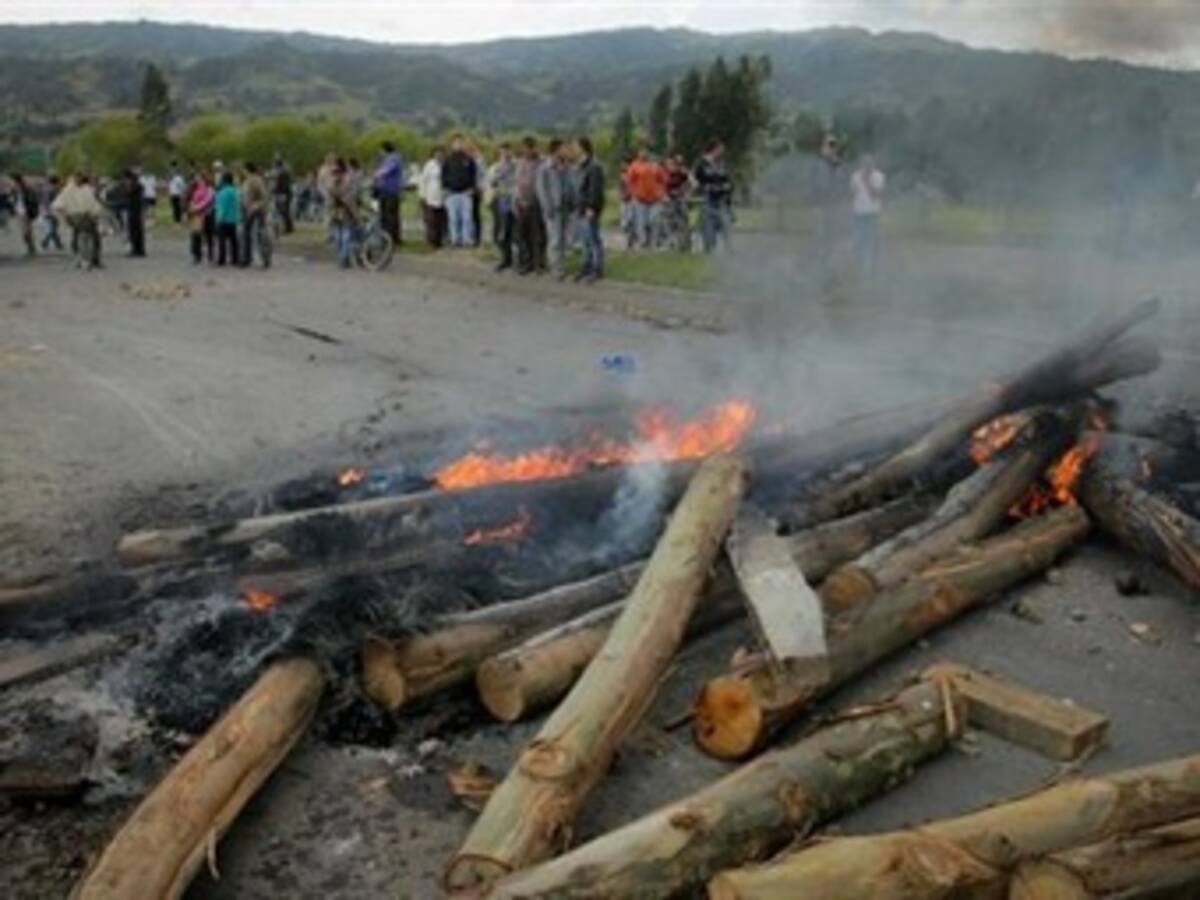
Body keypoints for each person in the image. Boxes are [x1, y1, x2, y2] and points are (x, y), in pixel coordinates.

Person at [536, 138, 578, 280]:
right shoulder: (545, 168)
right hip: (553, 209)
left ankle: (561, 265)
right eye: (563, 148)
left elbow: (572, 185)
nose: (565, 151)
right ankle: (556, 269)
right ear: (555, 150)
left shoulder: (567, 167)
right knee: (555, 239)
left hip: (567, 207)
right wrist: (547, 207)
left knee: (565, 238)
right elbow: (541, 190)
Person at [52, 173, 105, 269]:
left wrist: (96, 213)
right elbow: (59, 203)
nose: (78, 180)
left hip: (89, 217)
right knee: (80, 239)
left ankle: (94, 259)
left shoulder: (87, 189)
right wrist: (66, 215)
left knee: (94, 238)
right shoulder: (69, 190)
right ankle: (82, 259)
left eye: (79, 178)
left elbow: (93, 203)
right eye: (76, 178)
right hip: (77, 218)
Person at [693, 140, 734, 253]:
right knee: (708, 229)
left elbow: (728, 180)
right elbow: (693, 180)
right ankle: (709, 251)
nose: (722, 152)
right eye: (721, 149)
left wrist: (728, 187)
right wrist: (702, 188)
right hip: (707, 200)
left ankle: (729, 252)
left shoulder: (721, 163)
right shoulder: (701, 163)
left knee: (727, 227)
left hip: (722, 201)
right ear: (714, 149)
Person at [849, 152, 885, 277]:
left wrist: (866, 181)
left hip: (872, 213)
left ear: (873, 164)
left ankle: (871, 270)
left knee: (871, 242)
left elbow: (876, 195)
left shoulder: (879, 176)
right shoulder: (855, 176)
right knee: (858, 241)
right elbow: (852, 195)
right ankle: (858, 268)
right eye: (864, 163)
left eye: (869, 163)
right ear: (861, 164)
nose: (867, 166)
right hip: (858, 213)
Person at [575, 136, 605, 283]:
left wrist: (591, 207)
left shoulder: (594, 166)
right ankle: (586, 265)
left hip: (589, 208)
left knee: (593, 239)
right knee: (585, 240)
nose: (574, 149)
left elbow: (595, 189)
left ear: (582, 148)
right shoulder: (581, 165)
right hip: (581, 208)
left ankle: (597, 268)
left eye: (576, 146)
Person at [812, 133, 843, 273]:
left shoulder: (837, 165)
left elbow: (841, 185)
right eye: (828, 145)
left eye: (833, 145)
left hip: (833, 206)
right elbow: (818, 186)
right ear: (822, 148)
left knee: (832, 237)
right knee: (819, 237)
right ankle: (820, 266)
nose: (831, 148)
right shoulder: (818, 165)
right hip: (820, 206)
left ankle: (829, 265)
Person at [625, 146, 667, 248]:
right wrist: (633, 192)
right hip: (640, 199)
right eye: (641, 151)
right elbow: (629, 180)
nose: (644, 153)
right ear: (638, 153)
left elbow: (664, 179)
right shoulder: (634, 166)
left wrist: (661, 192)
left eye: (645, 152)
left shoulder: (655, 165)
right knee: (641, 223)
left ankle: (654, 241)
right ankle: (643, 242)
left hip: (655, 199)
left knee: (654, 220)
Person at [514, 137, 545, 275]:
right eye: (525, 148)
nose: (527, 151)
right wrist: (519, 200)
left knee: (536, 235)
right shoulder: (520, 164)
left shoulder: (541, 164)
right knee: (522, 235)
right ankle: (524, 262)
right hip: (522, 203)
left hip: (536, 203)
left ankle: (537, 263)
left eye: (529, 148)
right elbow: (518, 183)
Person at [440, 134, 478, 248]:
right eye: (456, 143)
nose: (458, 145)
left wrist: (472, 188)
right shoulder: (447, 160)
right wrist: (445, 188)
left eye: (460, 143)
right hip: (452, 193)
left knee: (467, 218)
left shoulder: (469, 159)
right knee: (453, 218)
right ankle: (455, 239)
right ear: (452, 145)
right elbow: (443, 175)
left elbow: (473, 175)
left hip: (466, 193)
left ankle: (466, 240)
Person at [488, 143, 517, 271]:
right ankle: (505, 258)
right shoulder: (495, 167)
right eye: (503, 152)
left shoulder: (517, 165)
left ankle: (520, 259)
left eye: (507, 152)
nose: (505, 155)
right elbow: (491, 183)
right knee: (502, 231)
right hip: (502, 201)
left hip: (515, 201)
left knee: (516, 232)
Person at [329, 158, 360, 269]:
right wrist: (356, 215)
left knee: (339, 235)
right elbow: (349, 199)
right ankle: (343, 260)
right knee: (346, 236)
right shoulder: (347, 181)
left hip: (336, 210)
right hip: (345, 210)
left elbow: (331, 196)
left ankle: (342, 259)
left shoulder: (333, 181)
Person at [373, 140, 404, 245]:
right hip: (384, 191)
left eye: (380, 150)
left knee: (390, 216)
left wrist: (378, 173)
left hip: (390, 191)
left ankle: (391, 238)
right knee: (385, 215)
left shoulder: (393, 158)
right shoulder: (385, 159)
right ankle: (387, 237)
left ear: (384, 149)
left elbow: (386, 171)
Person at [240, 162, 268, 267]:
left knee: (257, 234)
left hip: (255, 210)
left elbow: (263, 196)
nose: (243, 172)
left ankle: (261, 258)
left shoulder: (256, 180)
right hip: (248, 210)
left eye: (244, 169)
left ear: (247, 170)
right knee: (246, 234)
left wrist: (255, 206)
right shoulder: (248, 180)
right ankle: (247, 258)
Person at [419, 146, 446, 248]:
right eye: (437, 153)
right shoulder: (430, 165)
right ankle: (431, 241)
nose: (439, 155)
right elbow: (423, 180)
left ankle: (439, 240)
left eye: (441, 153)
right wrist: (422, 195)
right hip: (430, 195)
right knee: (431, 220)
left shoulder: (445, 164)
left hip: (442, 196)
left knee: (440, 220)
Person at [213, 171, 242, 266]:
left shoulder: (222, 192)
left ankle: (222, 259)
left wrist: (218, 219)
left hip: (224, 220)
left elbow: (221, 207)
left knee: (222, 241)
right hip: (234, 219)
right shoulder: (236, 191)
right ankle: (235, 258)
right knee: (234, 241)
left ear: (224, 180)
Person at [186, 170, 215, 264]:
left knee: (209, 236)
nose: (197, 179)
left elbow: (208, 201)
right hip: (197, 216)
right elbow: (192, 200)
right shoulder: (196, 189)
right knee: (196, 235)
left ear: (204, 179)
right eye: (196, 178)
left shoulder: (210, 189)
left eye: (199, 178)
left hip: (207, 215)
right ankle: (197, 256)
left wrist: (196, 208)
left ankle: (211, 256)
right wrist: (191, 207)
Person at [11, 173, 39, 257]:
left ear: (17, 181)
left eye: (13, 181)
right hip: (20, 213)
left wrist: (33, 211)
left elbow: (33, 201)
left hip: (27, 213)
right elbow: (13, 201)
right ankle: (31, 248)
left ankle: (31, 248)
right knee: (26, 233)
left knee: (26, 232)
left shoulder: (27, 189)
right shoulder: (14, 190)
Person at [125, 169, 146, 257]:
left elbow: (129, 192)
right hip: (136, 210)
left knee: (134, 231)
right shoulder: (138, 185)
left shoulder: (134, 186)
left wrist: (128, 185)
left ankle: (136, 249)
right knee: (138, 231)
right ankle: (139, 249)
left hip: (134, 211)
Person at [40, 175, 65, 251]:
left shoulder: (46, 189)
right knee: (53, 228)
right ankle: (46, 242)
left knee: (53, 228)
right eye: (59, 182)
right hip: (52, 211)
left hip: (47, 210)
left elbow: (44, 201)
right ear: (56, 182)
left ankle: (57, 243)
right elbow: (52, 201)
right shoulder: (53, 190)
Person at [272, 153, 294, 234]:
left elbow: (280, 184)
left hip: (283, 192)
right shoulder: (283, 170)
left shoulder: (281, 171)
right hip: (283, 192)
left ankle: (287, 228)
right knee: (284, 210)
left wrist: (275, 190)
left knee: (283, 210)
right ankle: (288, 227)